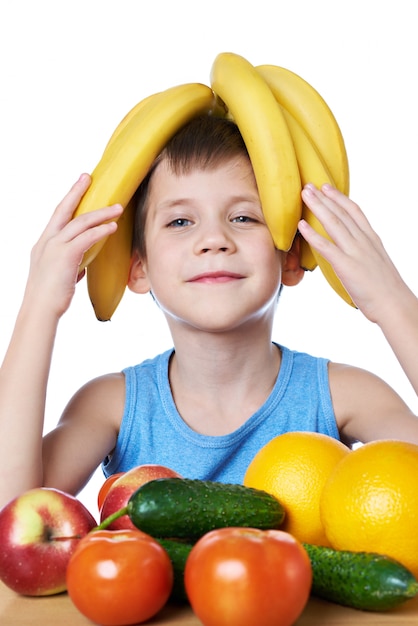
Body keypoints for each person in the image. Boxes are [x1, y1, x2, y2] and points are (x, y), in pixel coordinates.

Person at [1, 115, 417, 509]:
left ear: (290, 259)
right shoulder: (111, 405)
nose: (214, 238)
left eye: (243, 216)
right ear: (138, 268)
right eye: (181, 222)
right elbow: (11, 514)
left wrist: (391, 301)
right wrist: (39, 306)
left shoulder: (345, 395)